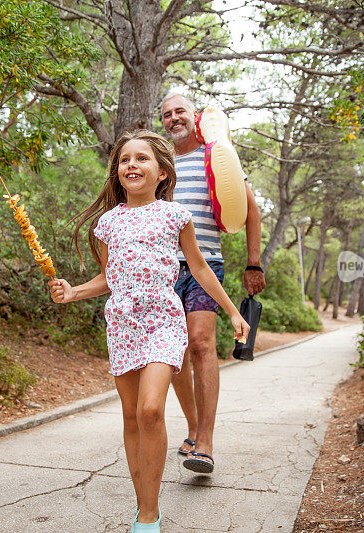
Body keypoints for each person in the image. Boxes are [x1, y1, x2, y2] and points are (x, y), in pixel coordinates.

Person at [49, 129, 249, 532]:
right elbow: (107, 278)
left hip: (163, 318)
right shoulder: (107, 223)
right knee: (130, 416)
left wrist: (231, 312)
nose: (132, 166)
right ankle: (147, 510)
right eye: (125, 160)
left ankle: (147, 514)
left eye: (142, 159)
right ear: (117, 171)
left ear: (161, 172)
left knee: (150, 409)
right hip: (122, 323)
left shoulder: (175, 215)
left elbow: (199, 268)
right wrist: (72, 292)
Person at [160, 93, 266, 474]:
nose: (174, 119)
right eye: (167, 114)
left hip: (206, 266)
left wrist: (253, 263)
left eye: (180, 112)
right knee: (173, 356)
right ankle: (191, 428)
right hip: (162, 270)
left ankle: (204, 443)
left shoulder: (217, 158)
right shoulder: (160, 163)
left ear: (195, 116)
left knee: (202, 344)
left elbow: (251, 210)